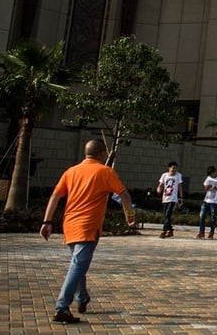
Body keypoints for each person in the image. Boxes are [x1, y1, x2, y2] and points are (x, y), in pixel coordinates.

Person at [40, 139, 135, 324]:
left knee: (78, 264)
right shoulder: (105, 172)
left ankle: (82, 298)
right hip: (88, 226)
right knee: (77, 265)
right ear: (101, 153)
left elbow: (55, 195)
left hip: (69, 225)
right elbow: (124, 193)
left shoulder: (71, 171)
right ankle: (62, 307)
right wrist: (129, 214)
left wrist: (47, 221)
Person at [156, 161, 182, 238]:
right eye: (173, 168)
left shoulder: (178, 175)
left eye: (175, 168)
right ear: (169, 168)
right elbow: (161, 185)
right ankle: (170, 230)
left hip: (173, 198)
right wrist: (158, 189)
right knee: (166, 215)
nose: (174, 170)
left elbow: (180, 186)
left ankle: (164, 231)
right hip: (165, 198)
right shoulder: (164, 175)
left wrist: (181, 197)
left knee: (168, 214)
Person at [197, 165, 217, 239]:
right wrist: (207, 187)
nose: (212, 176)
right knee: (202, 216)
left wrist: (215, 187)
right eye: (210, 174)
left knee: (213, 217)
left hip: (214, 201)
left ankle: (211, 232)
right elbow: (205, 188)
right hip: (206, 200)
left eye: (212, 174)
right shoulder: (208, 178)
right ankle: (201, 232)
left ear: (215, 172)